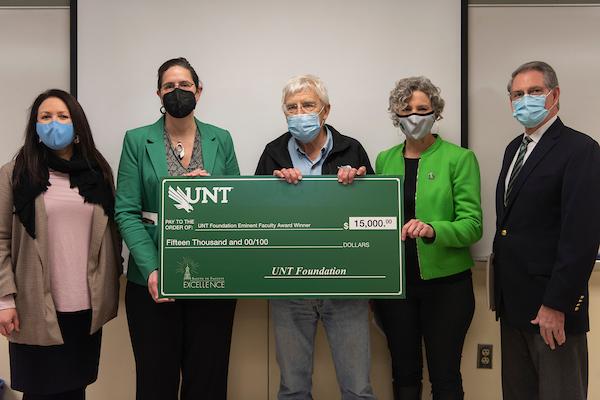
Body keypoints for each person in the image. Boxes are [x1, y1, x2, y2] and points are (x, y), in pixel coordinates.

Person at [115, 57, 239, 400]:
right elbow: (126, 212)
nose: (177, 92)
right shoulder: (137, 141)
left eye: (185, 85)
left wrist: (210, 192)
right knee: (156, 384)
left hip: (213, 281)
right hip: (152, 284)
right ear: (158, 93)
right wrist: (153, 268)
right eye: (169, 86)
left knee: (208, 384)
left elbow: (236, 206)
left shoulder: (221, 139)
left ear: (199, 91)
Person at [255, 74, 376, 400]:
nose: (299, 112)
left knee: (358, 389)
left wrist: (359, 189)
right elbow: (255, 219)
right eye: (291, 107)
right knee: (293, 389)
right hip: (289, 286)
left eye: (307, 105)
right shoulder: (273, 153)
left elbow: (376, 221)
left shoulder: (353, 150)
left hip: (346, 286)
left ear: (325, 111)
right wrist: (275, 191)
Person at [0, 89, 121, 400]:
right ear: (35, 126)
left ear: (77, 125)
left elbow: (113, 230)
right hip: (34, 306)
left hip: (85, 306)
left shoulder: (98, 173)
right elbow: (1, 238)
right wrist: (5, 300)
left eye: (63, 116)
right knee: (40, 391)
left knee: (74, 389)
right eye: (46, 116)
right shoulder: (15, 174)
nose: (54, 123)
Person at [493, 61, 600, 400]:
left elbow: (581, 237)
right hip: (513, 308)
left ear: (554, 96)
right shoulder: (514, 149)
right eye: (517, 94)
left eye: (535, 92)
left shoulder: (580, 150)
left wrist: (556, 305)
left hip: (552, 311)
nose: (525, 100)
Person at [372, 77, 482, 400]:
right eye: (406, 110)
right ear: (396, 115)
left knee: (445, 377)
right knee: (404, 375)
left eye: (422, 109)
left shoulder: (459, 159)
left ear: (436, 113)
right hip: (397, 288)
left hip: (447, 288)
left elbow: (473, 226)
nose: (415, 116)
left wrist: (434, 229)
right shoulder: (384, 159)